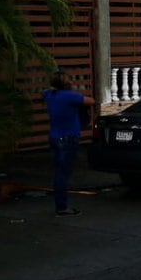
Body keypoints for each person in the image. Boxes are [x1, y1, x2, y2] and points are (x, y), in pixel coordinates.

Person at [42, 71, 95, 217]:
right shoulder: (70, 96)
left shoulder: (49, 95)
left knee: (59, 172)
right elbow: (91, 101)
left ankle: (60, 205)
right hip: (68, 138)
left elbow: (44, 92)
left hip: (54, 137)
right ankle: (62, 207)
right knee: (63, 174)